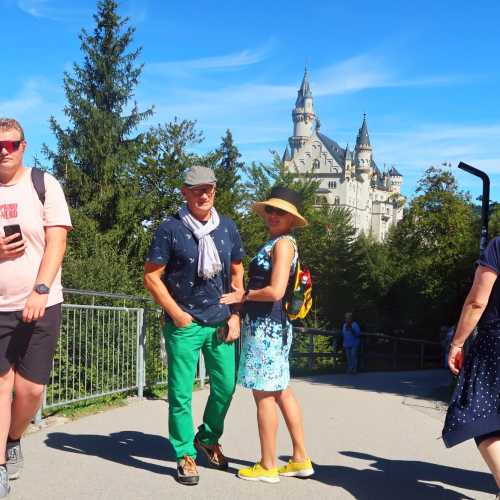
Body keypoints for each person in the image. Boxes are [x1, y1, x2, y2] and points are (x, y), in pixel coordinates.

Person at [143, 165, 244, 486]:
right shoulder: (170, 229)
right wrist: (176, 313)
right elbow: (151, 276)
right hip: (184, 323)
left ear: (215, 191)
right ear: (185, 192)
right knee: (181, 393)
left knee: (226, 387)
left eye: (209, 189)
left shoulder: (226, 228)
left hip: (221, 322)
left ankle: (208, 437)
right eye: (196, 190)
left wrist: (236, 314)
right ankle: (185, 453)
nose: (204, 195)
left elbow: (238, 272)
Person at [221, 185, 314, 484]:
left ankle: (268, 464)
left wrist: (243, 295)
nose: (273, 215)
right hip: (273, 327)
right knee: (282, 391)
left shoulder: (283, 244)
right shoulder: (279, 242)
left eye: (281, 212)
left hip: (267, 328)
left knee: (264, 396)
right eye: (271, 210)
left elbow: (276, 290)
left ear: (291, 218)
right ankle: (300, 459)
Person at [0, 118, 72, 497]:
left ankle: (14, 437)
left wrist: (41, 289)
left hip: (41, 304)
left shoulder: (43, 184)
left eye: (10, 145)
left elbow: (57, 241)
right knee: (0, 386)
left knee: (30, 391)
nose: (3, 151)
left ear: (23, 147)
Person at [442, 237, 500, 499]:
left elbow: (477, 300)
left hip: (495, 345)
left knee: (479, 418)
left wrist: (457, 343)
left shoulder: (498, 246)